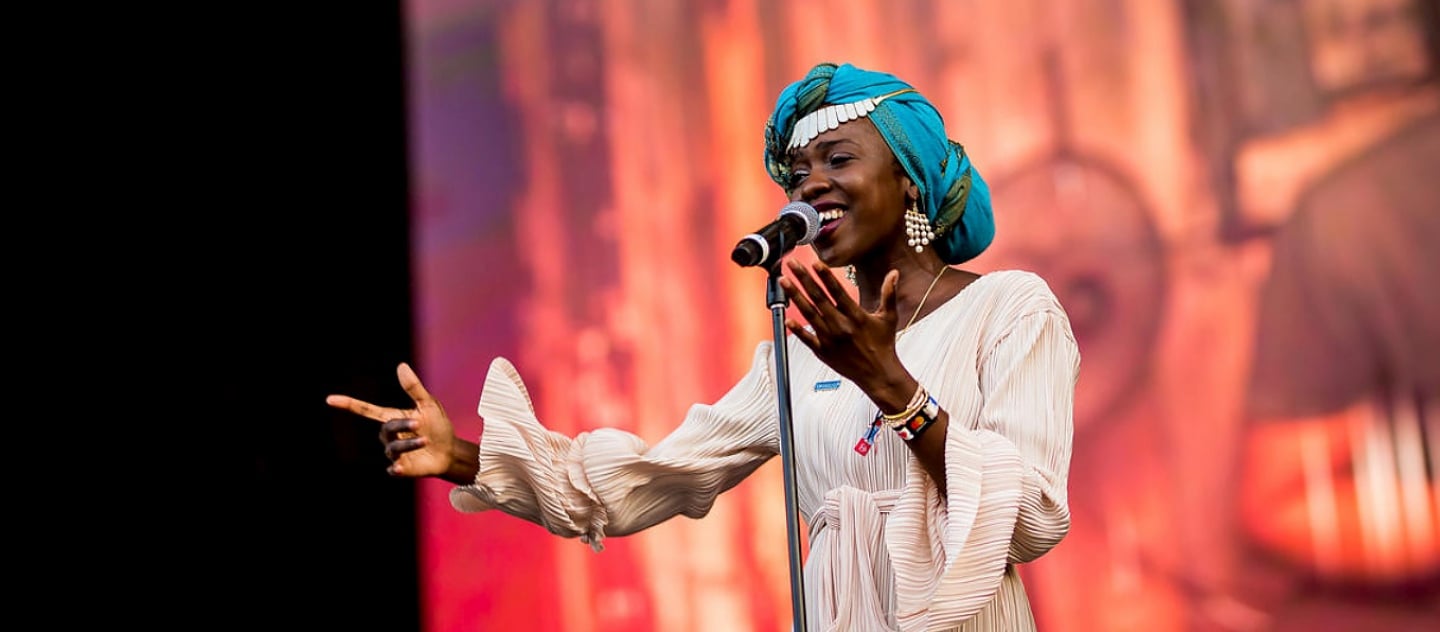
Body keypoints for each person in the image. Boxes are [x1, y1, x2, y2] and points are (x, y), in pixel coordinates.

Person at [328, 62, 1080, 631]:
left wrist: (895, 390)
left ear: (910, 179)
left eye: (838, 160)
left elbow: (1031, 518)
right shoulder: (805, 350)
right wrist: (462, 454)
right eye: (797, 173)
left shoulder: (1010, 311)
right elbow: (649, 477)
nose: (809, 185)